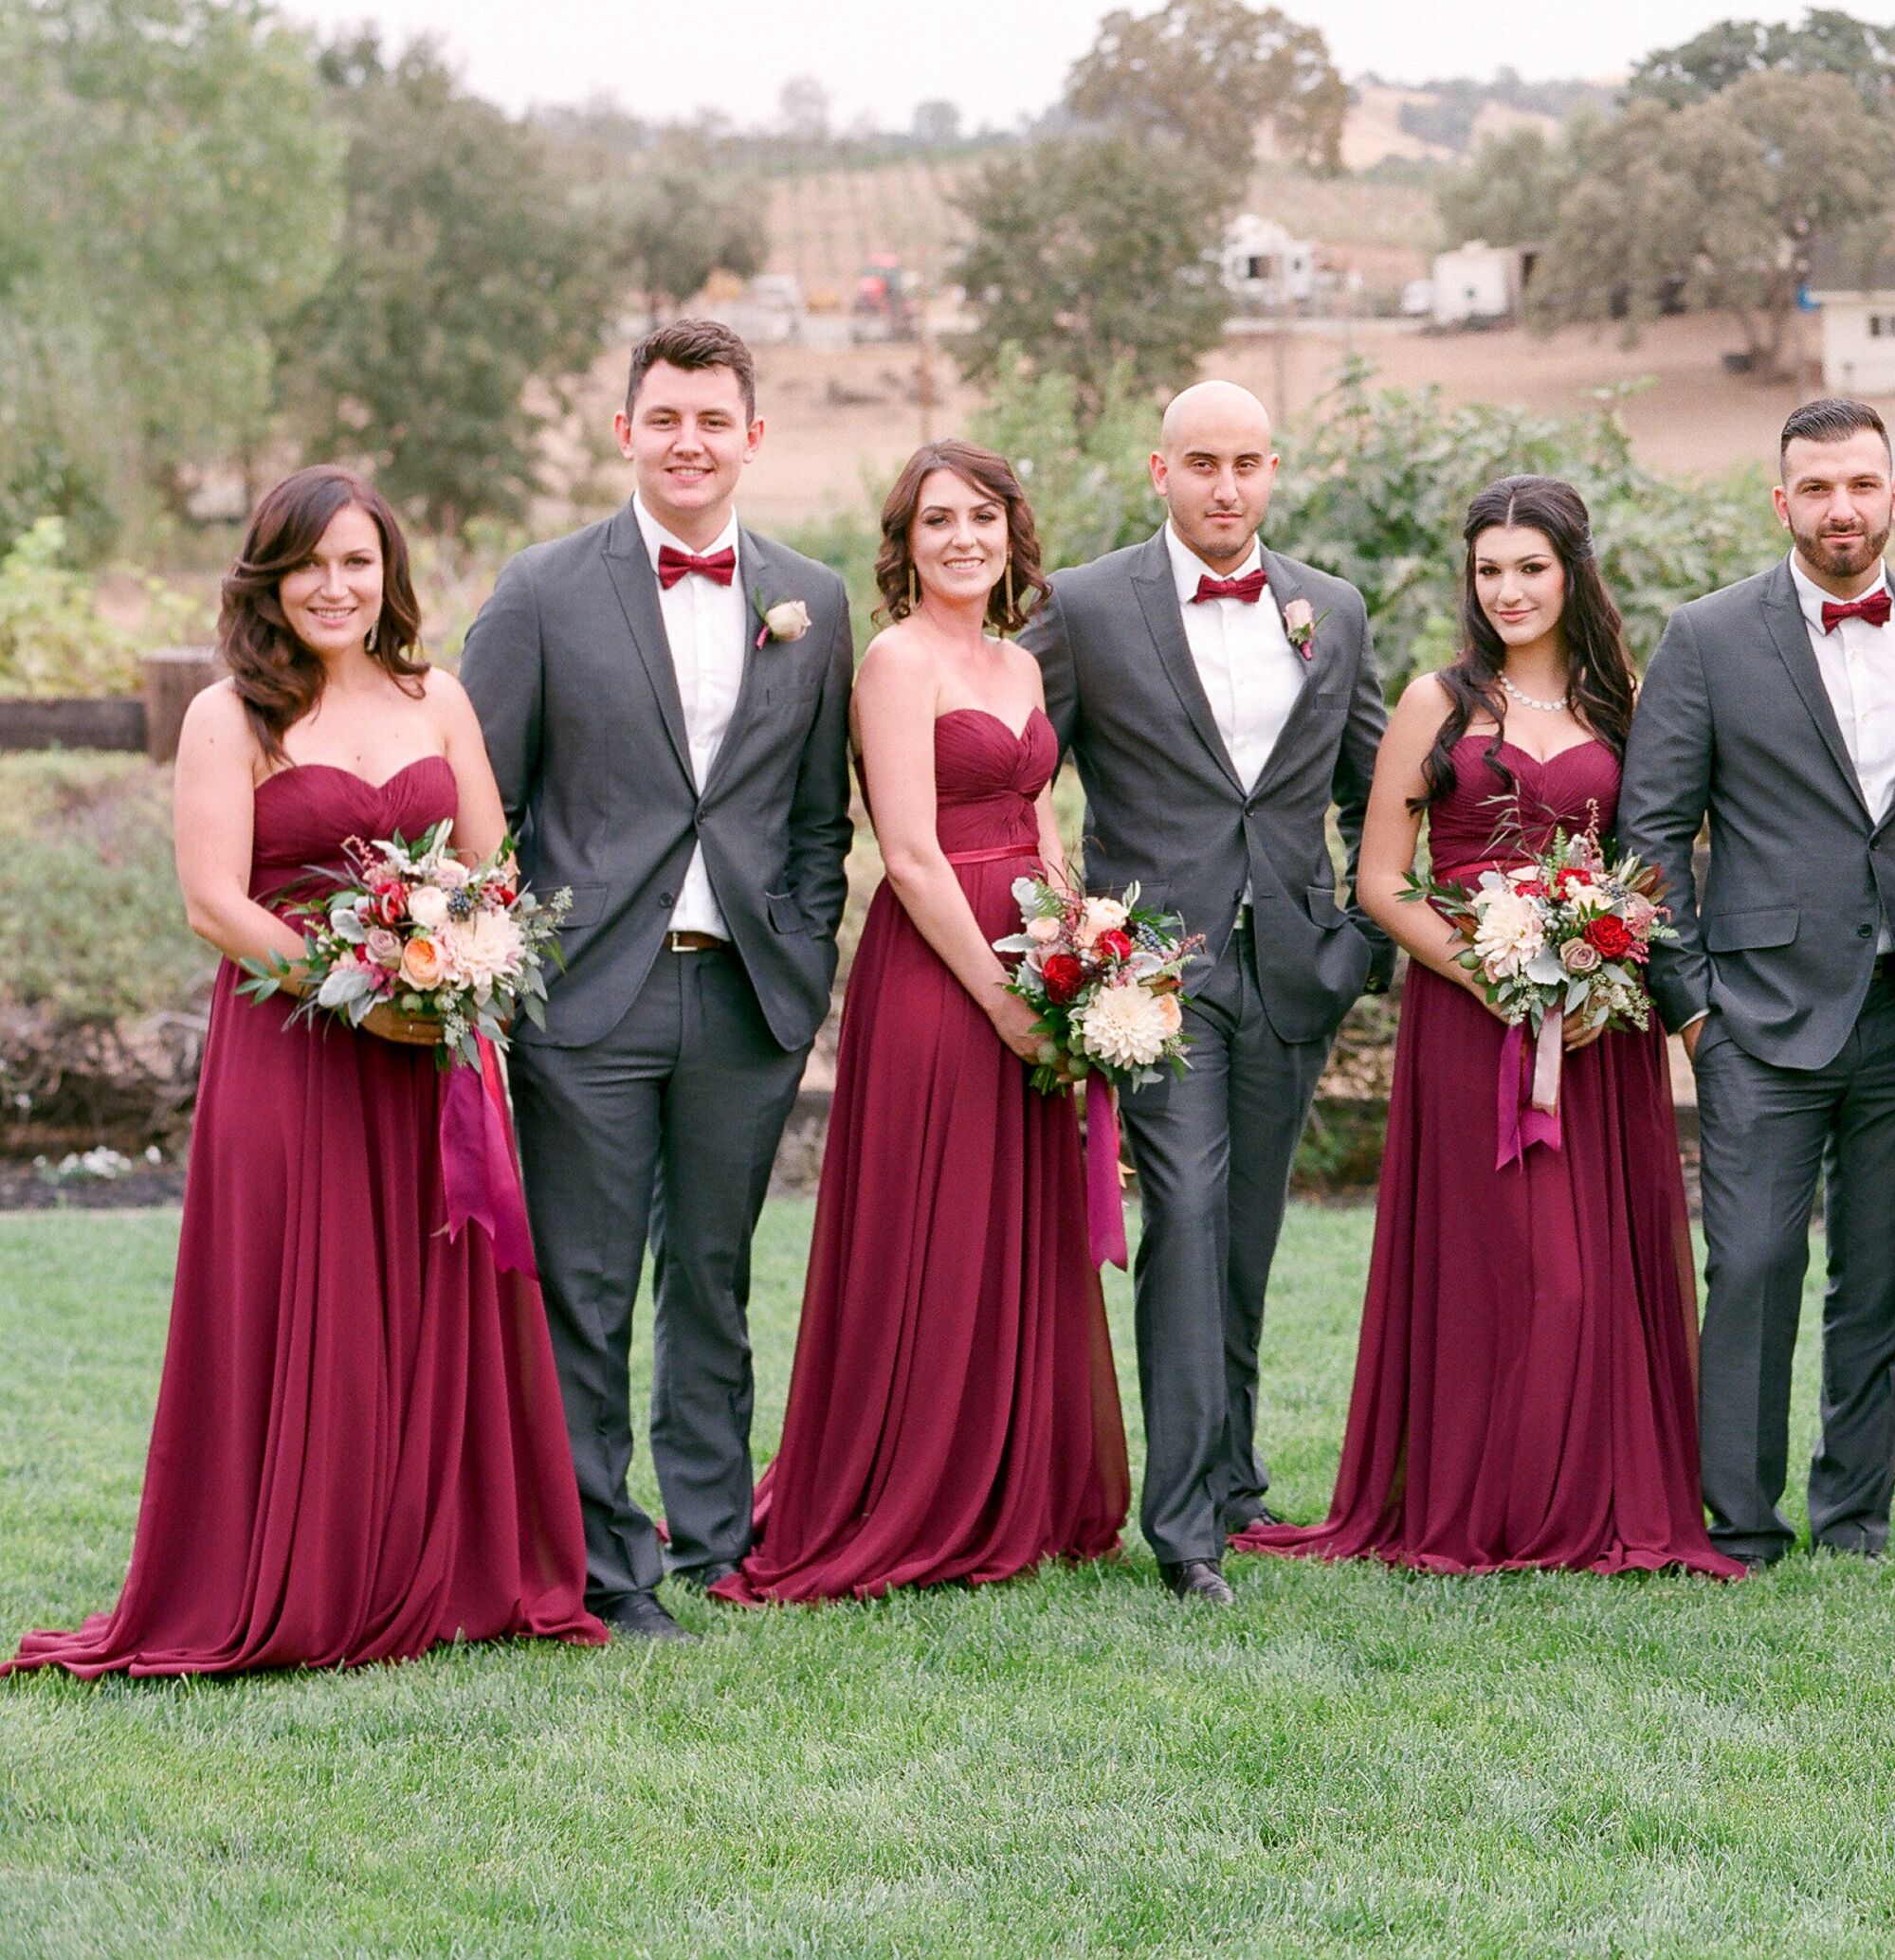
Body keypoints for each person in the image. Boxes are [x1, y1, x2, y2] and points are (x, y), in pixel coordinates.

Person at [14, 469, 602, 1675]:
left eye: (356, 562)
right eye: (308, 565)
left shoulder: (437, 695)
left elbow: (493, 871)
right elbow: (212, 901)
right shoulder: (231, 716)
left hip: (436, 1053)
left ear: (386, 574)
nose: (334, 587)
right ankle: (309, 1567)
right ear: (268, 579)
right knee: (312, 1293)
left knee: (433, 1289)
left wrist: (458, 970)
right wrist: (362, 987)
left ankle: (440, 1565)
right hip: (292, 1052)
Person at [1239, 478, 1737, 1578]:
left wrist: (1598, 945)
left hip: (1598, 1031)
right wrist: (1491, 970)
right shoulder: (1434, 704)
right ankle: (1489, 1502)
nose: (1508, 590)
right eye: (1489, 570)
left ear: (1572, 572)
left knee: (1592, 1269)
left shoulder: (1628, 704)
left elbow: (1653, 860)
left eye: (1530, 567)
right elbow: (1379, 878)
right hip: (1473, 1022)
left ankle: (1592, 1498)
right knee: (1505, 1266)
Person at [460, 320, 857, 1642]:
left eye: (714, 420)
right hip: (588, 993)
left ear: (754, 436)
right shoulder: (541, 591)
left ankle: (715, 1538)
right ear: (625, 431)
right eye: (666, 418)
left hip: (747, 992)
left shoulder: (814, 596)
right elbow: (484, 811)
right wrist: (507, 965)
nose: (690, 442)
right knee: (582, 1282)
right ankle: (599, 1560)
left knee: (713, 1270)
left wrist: (802, 948)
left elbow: (815, 818)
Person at [718, 444, 1130, 1606]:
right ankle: (912, 1483)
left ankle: (1019, 1480)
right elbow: (902, 850)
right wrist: (1001, 1000)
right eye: (937, 519)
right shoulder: (894, 662)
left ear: (1012, 533)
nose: (964, 537)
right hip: (941, 968)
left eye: (983, 516)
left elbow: (1039, 814)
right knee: (938, 1222)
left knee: (1020, 1218)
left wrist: (1078, 956)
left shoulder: (1016, 661)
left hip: (1031, 956)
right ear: (904, 543)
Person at [1619, 397, 1895, 1567]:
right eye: (1817, 487)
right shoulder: (1708, 636)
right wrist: (1690, 1008)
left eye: (1861, 484)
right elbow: (1651, 832)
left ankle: (1852, 1515)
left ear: (1894, 495)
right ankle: (1737, 1516)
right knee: (1751, 1260)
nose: (1842, 506)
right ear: (1782, 501)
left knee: (1883, 1271)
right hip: (1757, 1010)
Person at [1023, 380, 1388, 1606]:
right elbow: (1011, 758)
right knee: (1184, 1217)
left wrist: (1354, 939)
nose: (1225, 486)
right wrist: (1066, 923)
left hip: (1290, 968)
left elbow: (1377, 784)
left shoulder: (1330, 609)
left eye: (1246, 463)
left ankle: (1228, 1473)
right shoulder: (1083, 607)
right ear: (1159, 469)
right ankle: (1184, 1533)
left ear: (1273, 470)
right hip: (1156, 977)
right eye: (1201, 463)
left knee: (1247, 1236)